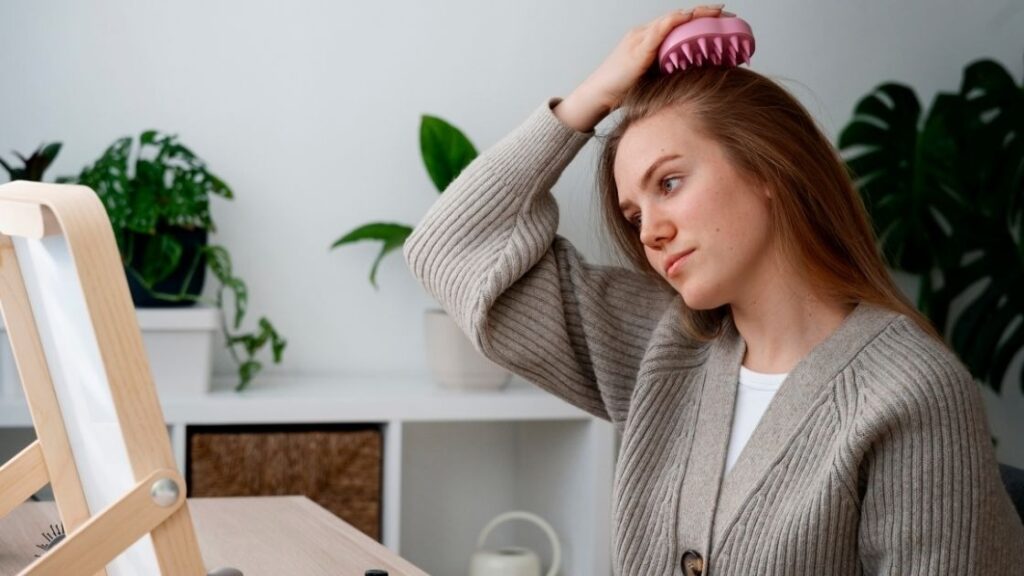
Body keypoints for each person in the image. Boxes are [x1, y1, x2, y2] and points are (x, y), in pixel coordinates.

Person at [403, 5, 1024, 575]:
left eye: (669, 183)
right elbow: (450, 250)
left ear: (767, 166)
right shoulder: (665, 348)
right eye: (634, 215)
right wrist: (594, 95)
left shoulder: (910, 393)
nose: (651, 232)